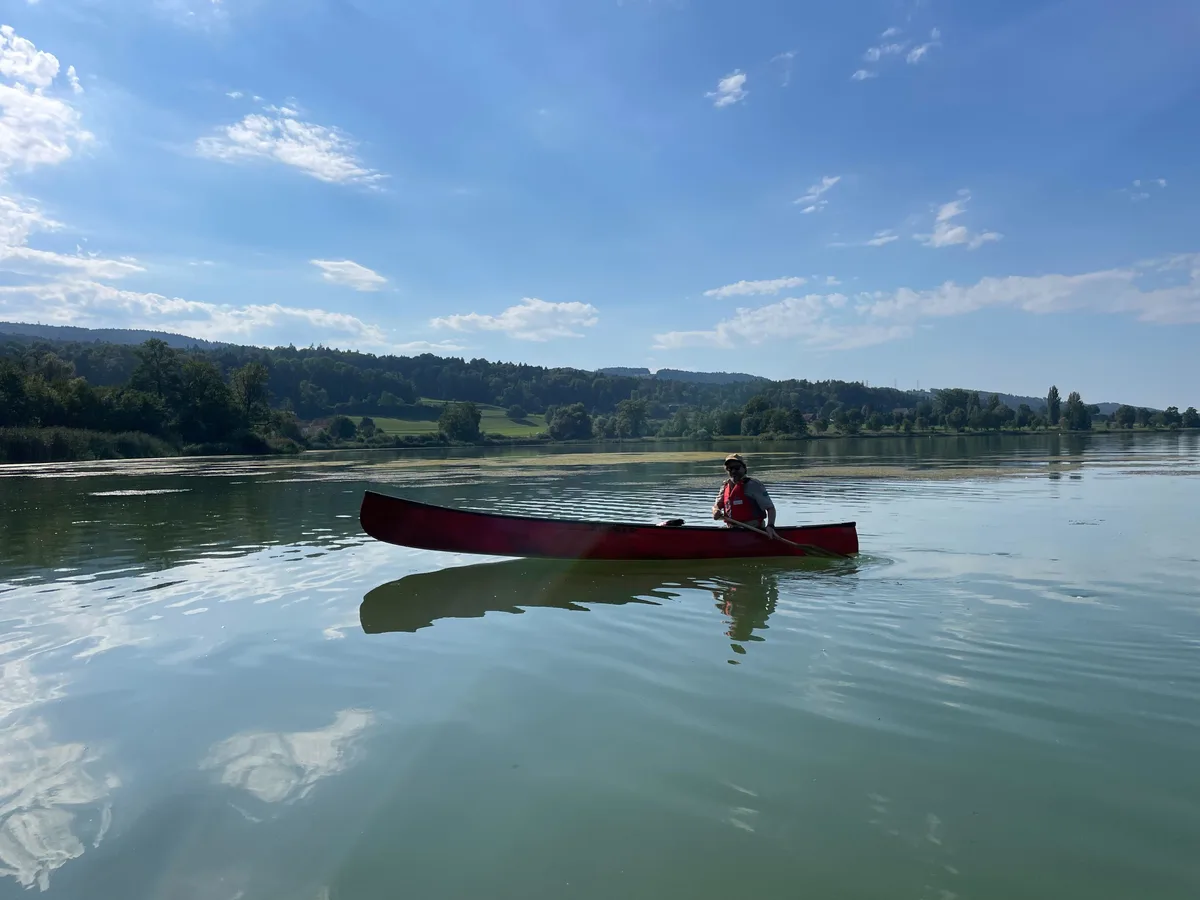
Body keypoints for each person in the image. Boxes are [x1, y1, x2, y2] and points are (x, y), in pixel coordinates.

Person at [712, 453, 777, 538]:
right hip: (731, 530)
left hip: (754, 531)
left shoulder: (754, 485)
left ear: (744, 468)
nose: (733, 471)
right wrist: (716, 511)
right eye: (730, 468)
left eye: (737, 468)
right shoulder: (725, 486)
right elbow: (716, 506)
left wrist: (770, 526)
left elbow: (770, 508)